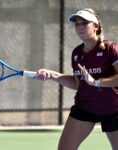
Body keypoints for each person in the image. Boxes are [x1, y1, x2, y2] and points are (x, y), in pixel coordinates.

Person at [35, 8, 118, 150]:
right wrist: (52, 75)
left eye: (85, 23)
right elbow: (77, 83)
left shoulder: (111, 49)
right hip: (85, 107)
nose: (80, 27)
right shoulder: (76, 53)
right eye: (77, 24)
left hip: (114, 109)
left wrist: (96, 82)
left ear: (96, 26)